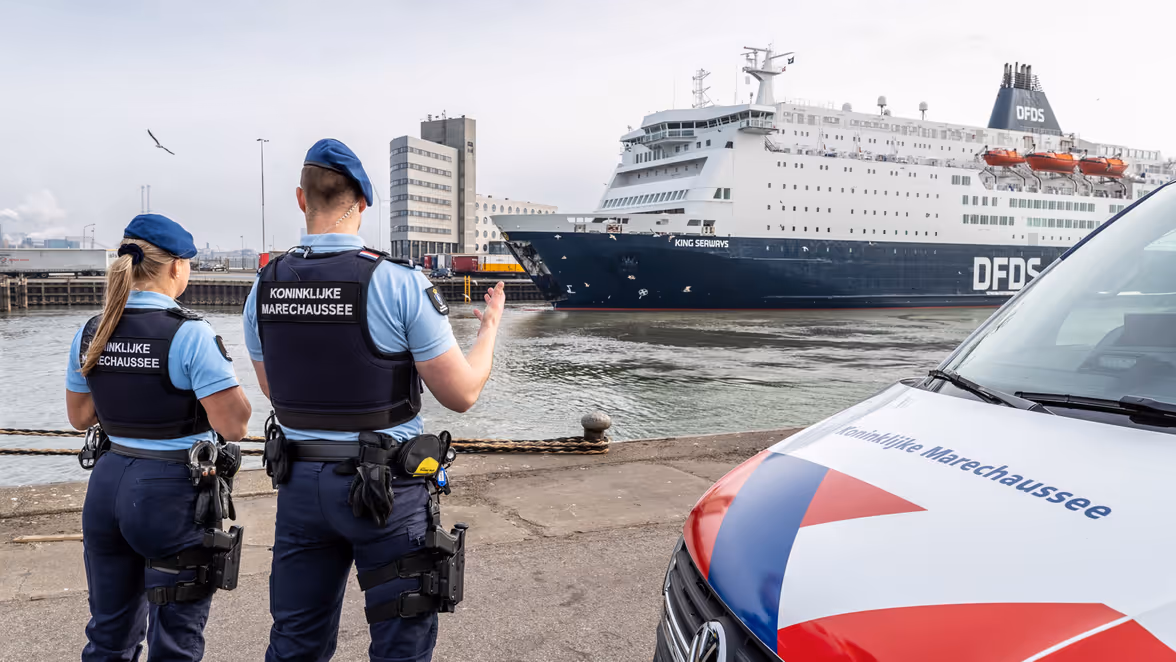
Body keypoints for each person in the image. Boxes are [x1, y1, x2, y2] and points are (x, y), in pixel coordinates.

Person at [243, 138, 505, 662]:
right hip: (385, 492)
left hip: (299, 487)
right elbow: (462, 394)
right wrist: (490, 328)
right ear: (362, 202)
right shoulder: (399, 281)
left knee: (295, 642)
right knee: (400, 643)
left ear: (301, 198)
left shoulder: (264, 287)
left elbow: (276, 391)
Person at [65, 214, 253, 661]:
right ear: (175, 268)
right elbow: (235, 426)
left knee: (108, 635)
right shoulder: (189, 333)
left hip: (107, 488)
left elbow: (80, 417)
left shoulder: (93, 330)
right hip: (169, 495)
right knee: (175, 641)